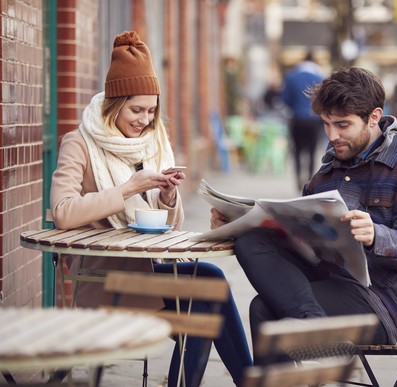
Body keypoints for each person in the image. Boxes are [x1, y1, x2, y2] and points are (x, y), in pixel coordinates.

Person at [50, 31, 252, 386]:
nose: (145, 119)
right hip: (104, 277)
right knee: (203, 304)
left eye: (152, 110)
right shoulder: (78, 143)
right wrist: (127, 188)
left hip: (150, 267)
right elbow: (62, 212)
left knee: (212, 284)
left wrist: (168, 198)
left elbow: (168, 226)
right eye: (136, 110)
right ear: (114, 104)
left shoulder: (150, 145)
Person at [210, 67, 397, 361]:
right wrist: (241, 221)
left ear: (374, 116)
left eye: (342, 125)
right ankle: (310, 322)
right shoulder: (331, 167)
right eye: (326, 124)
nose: (332, 135)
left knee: (264, 310)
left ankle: (304, 327)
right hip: (327, 280)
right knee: (253, 239)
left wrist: (376, 235)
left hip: (379, 301)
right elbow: (300, 227)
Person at [281, 50, 325, 190]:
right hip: (314, 120)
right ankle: (310, 180)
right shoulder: (320, 76)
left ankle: (299, 181)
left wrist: (295, 107)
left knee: (297, 150)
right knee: (312, 151)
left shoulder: (291, 76)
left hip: (297, 119)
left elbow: (284, 99)